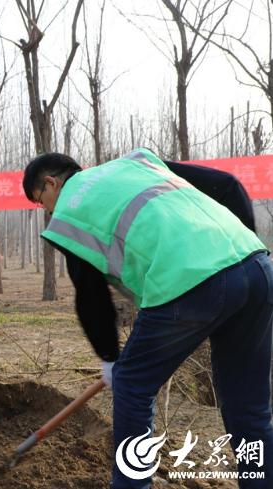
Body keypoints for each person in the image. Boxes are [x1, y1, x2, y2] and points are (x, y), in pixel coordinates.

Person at [23, 148, 273, 489]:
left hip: (189, 281)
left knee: (132, 385)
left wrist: (111, 358)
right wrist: (238, 259)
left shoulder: (70, 211)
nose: (47, 210)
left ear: (50, 183)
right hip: (257, 267)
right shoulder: (136, 162)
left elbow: (90, 293)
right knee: (248, 408)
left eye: (41, 201)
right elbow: (227, 184)